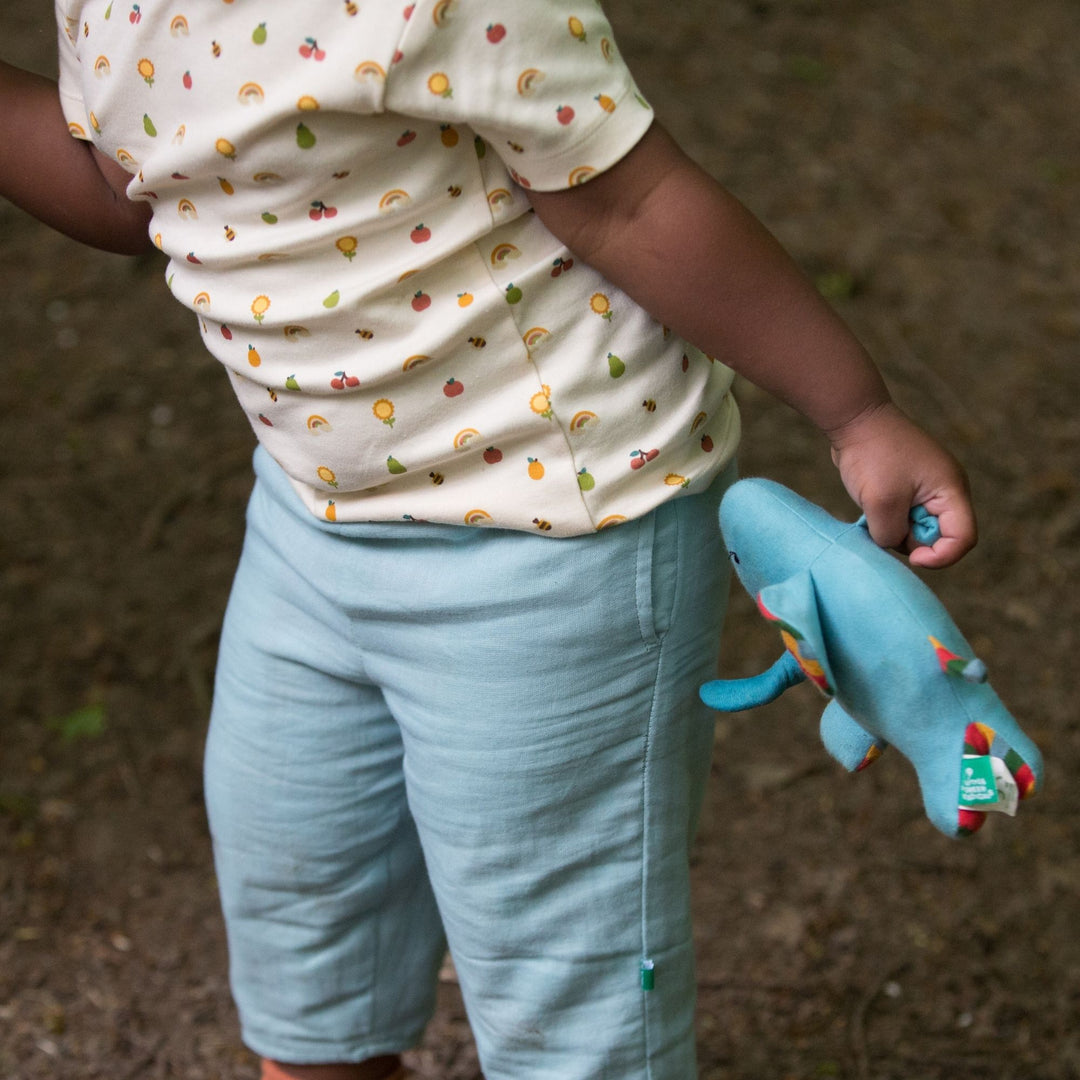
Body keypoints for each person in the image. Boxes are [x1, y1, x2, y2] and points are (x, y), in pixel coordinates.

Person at [1, 2, 975, 1078]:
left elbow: (631, 200)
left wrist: (855, 412)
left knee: (565, 987)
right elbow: (118, 182)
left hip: (559, 536)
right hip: (309, 523)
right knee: (301, 912)